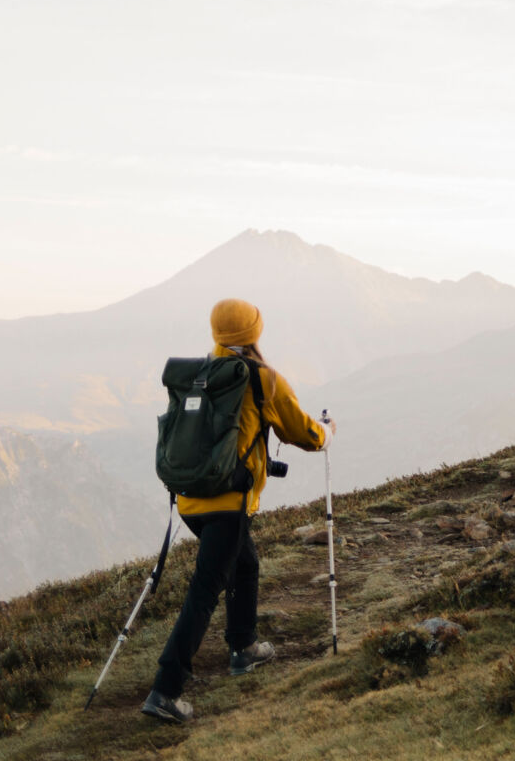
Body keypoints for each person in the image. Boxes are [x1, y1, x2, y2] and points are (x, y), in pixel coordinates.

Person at [141, 298, 332, 725]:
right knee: (206, 589)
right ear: (253, 332)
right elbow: (302, 432)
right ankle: (165, 690)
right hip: (230, 503)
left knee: (244, 563)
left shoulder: (200, 374)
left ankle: (243, 646)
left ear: (216, 333)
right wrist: (328, 433)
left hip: (190, 500)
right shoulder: (261, 378)